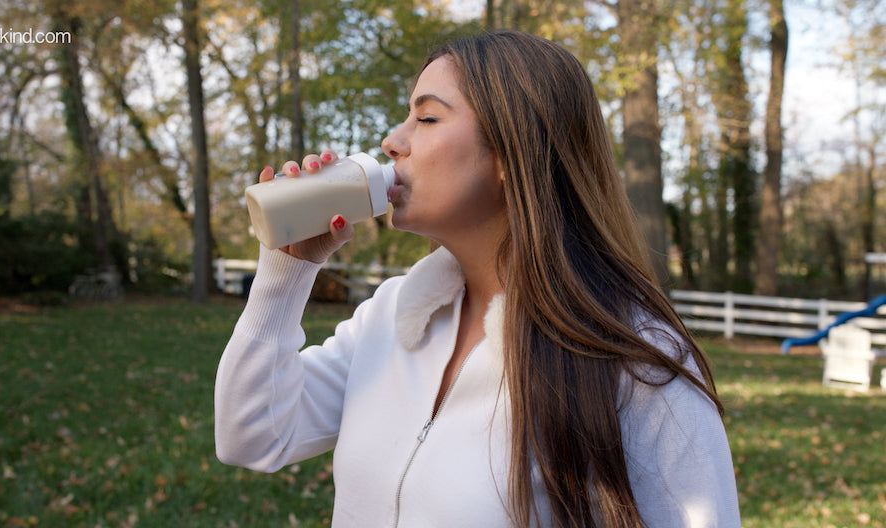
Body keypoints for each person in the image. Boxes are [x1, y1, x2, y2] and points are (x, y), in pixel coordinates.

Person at [215, 31, 740, 527]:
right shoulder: (392, 315)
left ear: (512, 152)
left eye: (427, 118)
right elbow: (253, 434)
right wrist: (287, 269)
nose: (392, 141)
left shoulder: (639, 366)